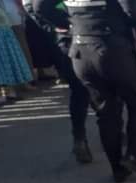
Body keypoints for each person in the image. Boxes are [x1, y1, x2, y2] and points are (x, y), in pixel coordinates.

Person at [35, 0, 136, 183]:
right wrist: (134, 22)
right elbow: (135, 14)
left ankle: (118, 169)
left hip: (80, 49)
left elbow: (40, 7)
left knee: (106, 111)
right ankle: (133, 154)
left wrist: (69, 22)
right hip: (112, 46)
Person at [23, 0, 93, 163]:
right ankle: (88, 137)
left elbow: (35, 9)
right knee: (95, 90)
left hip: (70, 38)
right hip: (78, 36)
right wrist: (57, 26)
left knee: (81, 92)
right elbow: (36, 8)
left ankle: (81, 138)